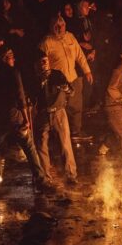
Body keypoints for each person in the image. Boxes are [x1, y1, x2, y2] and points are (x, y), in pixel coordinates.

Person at [0, 46, 51, 192]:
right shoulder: (13, 73)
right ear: (5, 58)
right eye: (11, 56)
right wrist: (26, 119)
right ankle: (41, 180)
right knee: (29, 147)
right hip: (14, 117)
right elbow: (20, 96)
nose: (14, 59)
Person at [39, 14, 93, 140]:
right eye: (56, 26)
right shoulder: (46, 42)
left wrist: (87, 71)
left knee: (76, 107)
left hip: (73, 78)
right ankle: (59, 135)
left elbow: (79, 55)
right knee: (59, 109)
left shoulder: (70, 37)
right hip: (58, 82)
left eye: (62, 25)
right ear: (51, 27)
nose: (60, 28)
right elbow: (40, 62)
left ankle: (75, 132)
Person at [32, 50, 78, 186]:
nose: (44, 64)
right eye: (41, 62)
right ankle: (44, 178)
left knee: (65, 144)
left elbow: (72, 91)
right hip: (42, 114)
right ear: (36, 65)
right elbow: (31, 96)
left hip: (58, 113)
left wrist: (66, 88)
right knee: (41, 146)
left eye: (45, 61)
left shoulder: (57, 74)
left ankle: (71, 175)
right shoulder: (34, 79)